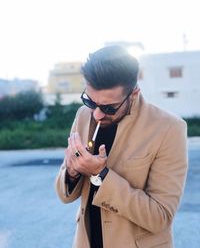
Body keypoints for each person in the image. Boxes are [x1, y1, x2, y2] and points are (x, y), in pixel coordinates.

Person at [55, 46, 188, 248]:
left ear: (134, 93)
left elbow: (160, 217)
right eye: (90, 101)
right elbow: (65, 196)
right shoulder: (83, 115)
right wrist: (72, 171)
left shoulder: (169, 128)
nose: (97, 114)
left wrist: (101, 175)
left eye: (109, 108)